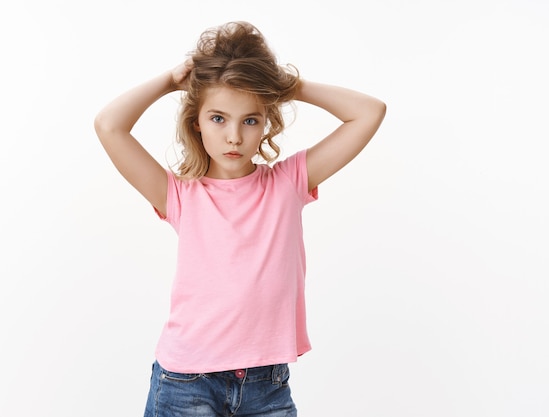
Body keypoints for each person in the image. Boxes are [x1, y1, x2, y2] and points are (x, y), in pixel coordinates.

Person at [94, 21, 386, 417]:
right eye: (218, 118)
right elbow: (109, 126)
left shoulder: (289, 181)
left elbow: (369, 113)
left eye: (250, 120)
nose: (234, 136)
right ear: (196, 121)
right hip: (186, 383)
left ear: (266, 122)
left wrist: (285, 86)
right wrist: (168, 81)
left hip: (267, 385)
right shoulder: (180, 194)